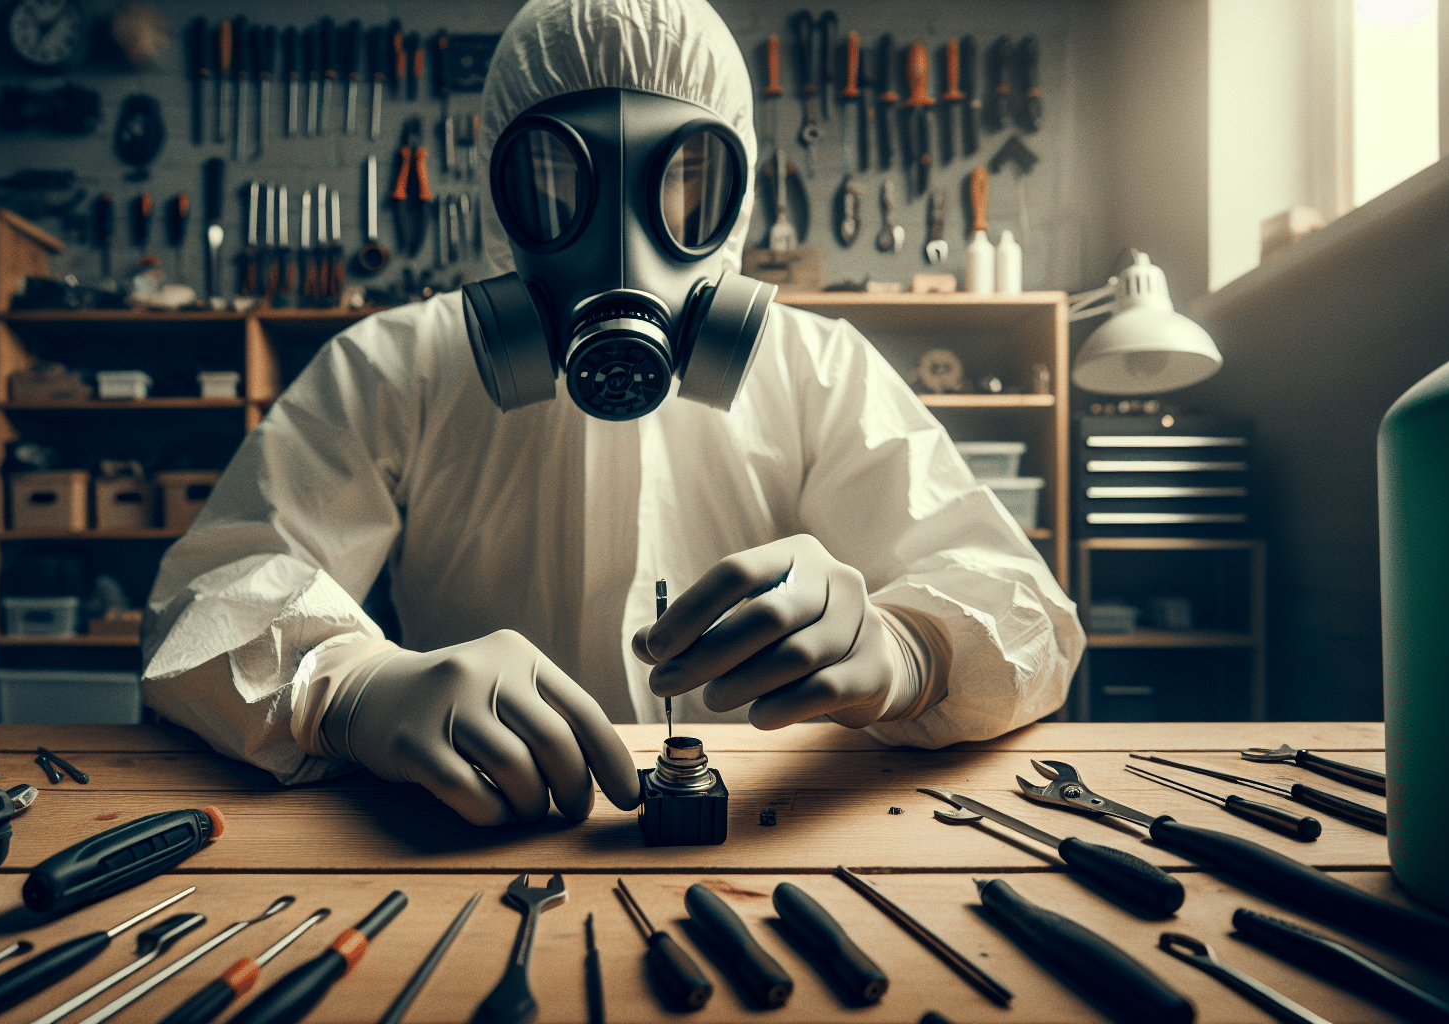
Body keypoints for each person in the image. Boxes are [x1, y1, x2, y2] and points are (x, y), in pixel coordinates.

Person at [140, 0, 1083, 828]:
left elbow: (1026, 610)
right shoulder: (401, 365)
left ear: (738, 196)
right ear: (499, 194)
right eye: (561, 182)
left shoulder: (814, 366)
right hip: (471, 829)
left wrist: (913, 647)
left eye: (681, 182)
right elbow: (213, 597)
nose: (623, 251)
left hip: (758, 820)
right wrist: (345, 687)